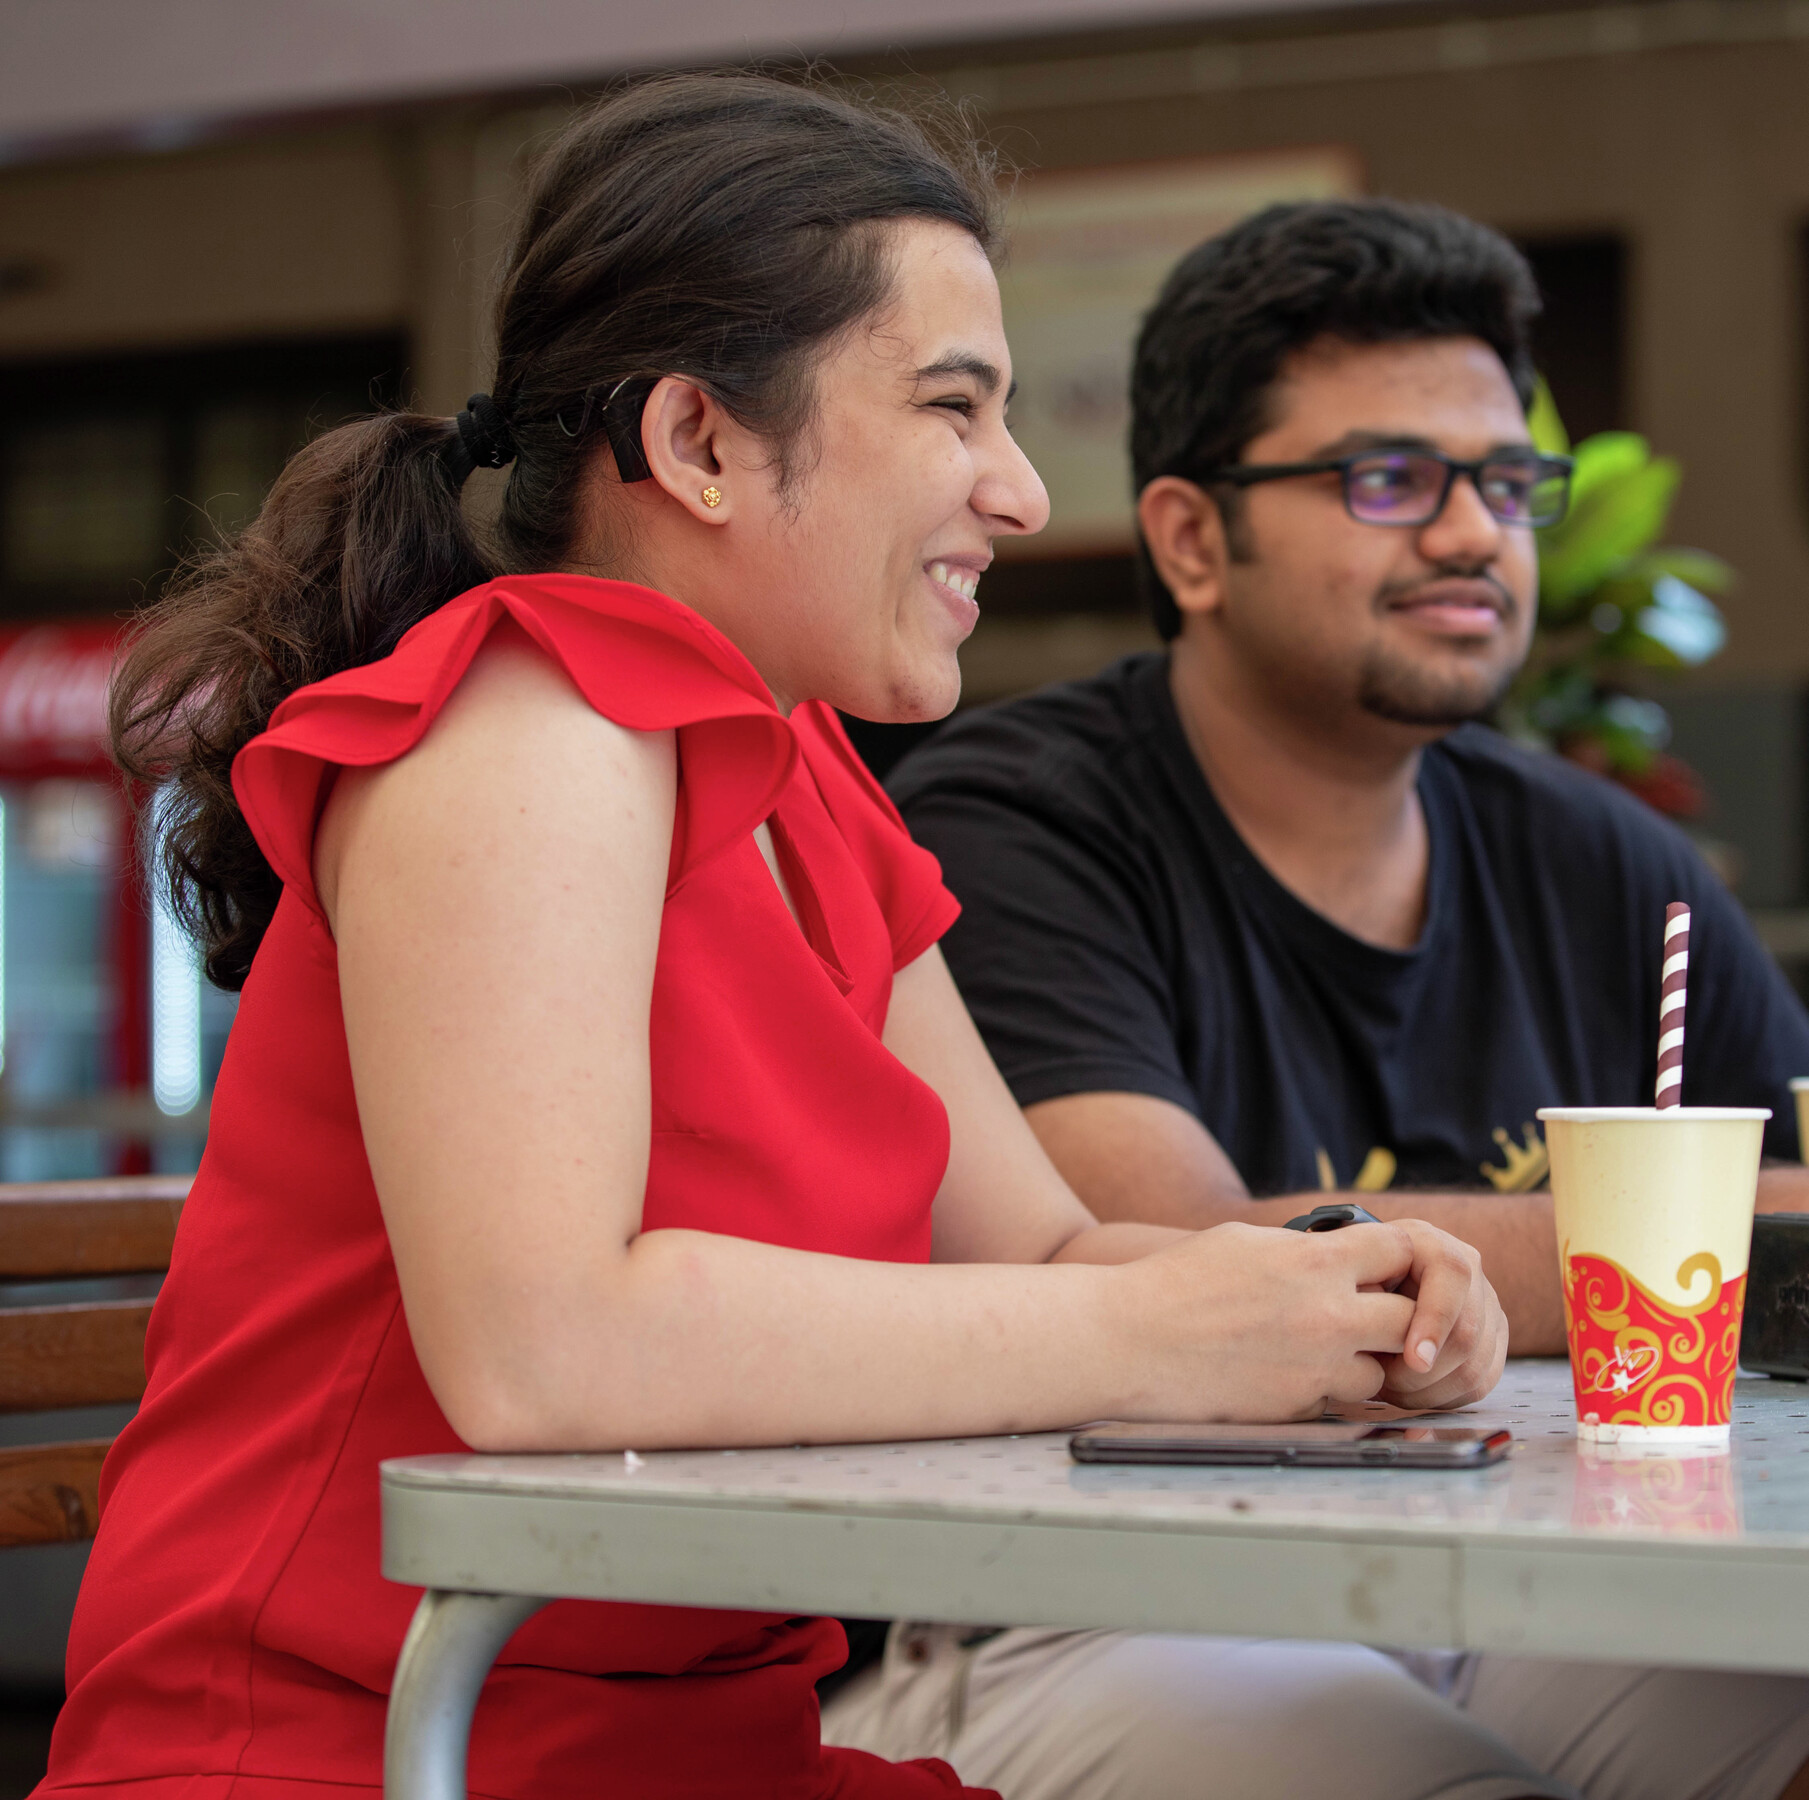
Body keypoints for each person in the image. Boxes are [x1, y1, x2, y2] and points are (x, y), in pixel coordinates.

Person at [35, 87, 1506, 1800]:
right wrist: (1165, 1337)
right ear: (700, 442)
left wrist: (1335, 1292)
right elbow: (544, 1352)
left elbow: (1030, 1258)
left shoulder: (803, 772)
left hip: (696, 1747)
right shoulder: (519, 729)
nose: (1019, 493)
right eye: (953, 407)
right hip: (351, 1753)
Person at [822, 202, 1809, 1799]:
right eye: (1386, 480)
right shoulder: (1017, 820)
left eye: (1504, 482)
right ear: (1191, 538)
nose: (1471, 531)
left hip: (1502, 1555)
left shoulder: (1602, 859)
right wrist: (1703, 1228)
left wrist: (1749, 1226)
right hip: (1083, 1593)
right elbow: (1192, 1269)